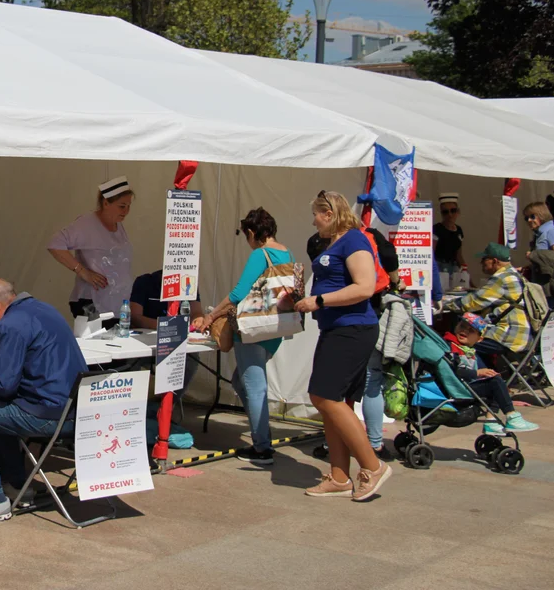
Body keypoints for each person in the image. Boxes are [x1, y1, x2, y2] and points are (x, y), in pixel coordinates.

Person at [0, 279, 88, 525]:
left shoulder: (11, 324)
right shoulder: (46, 309)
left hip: (49, 416)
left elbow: (3, 386)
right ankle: (16, 485)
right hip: (77, 411)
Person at [293, 191, 392, 501]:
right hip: (336, 328)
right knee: (333, 400)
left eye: (317, 214)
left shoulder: (354, 240)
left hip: (353, 329)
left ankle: (373, 467)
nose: (313, 221)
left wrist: (319, 300)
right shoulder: (336, 243)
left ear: (330, 213)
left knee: (323, 396)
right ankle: (338, 476)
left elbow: (364, 286)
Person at [192, 208, 292, 466]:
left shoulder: (261, 254)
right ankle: (263, 436)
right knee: (241, 381)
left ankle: (262, 448)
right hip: (275, 328)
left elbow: (238, 294)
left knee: (254, 387)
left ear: (251, 232)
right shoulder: (285, 252)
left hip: (253, 330)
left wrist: (211, 316)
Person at [48, 176, 134, 319]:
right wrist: (82, 272)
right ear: (106, 203)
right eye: (122, 206)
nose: (126, 211)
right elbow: (55, 244)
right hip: (92, 303)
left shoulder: (118, 225)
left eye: (129, 206)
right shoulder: (86, 224)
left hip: (117, 303)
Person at [442, 243, 531, 366]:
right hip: (523, 336)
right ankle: (487, 370)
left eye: (484, 259)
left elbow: (472, 302)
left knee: (460, 338)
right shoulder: (515, 275)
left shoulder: (502, 278)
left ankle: (480, 377)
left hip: (508, 336)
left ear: (494, 261)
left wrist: (443, 304)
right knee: (471, 332)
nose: (481, 263)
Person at [453, 313, 539, 434]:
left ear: (480, 339)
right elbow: (453, 371)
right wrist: (477, 373)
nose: (464, 331)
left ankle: (491, 420)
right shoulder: (452, 347)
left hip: (465, 385)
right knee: (495, 382)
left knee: (495, 379)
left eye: (471, 330)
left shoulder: (471, 350)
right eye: (462, 326)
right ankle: (512, 416)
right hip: (457, 388)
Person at [129, 269, 205, 398]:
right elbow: (135, 316)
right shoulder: (145, 282)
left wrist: (198, 318)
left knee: (191, 359)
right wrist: (166, 326)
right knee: (130, 359)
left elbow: (196, 311)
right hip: (145, 343)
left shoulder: (188, 283)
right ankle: (134, 405)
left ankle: (164, 406)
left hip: (173, 341)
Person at [524, 201, 554, 309]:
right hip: (543, 289)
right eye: (526, 218)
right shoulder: (539, 235)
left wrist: (534, 255)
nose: (529, 220)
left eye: (532, 216)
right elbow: (545, 261)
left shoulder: (552, 231)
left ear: (542, 215)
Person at [434, 192, 466, 289]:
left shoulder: (459, 230)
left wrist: (466, 272)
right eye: (445, 212)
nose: (450, 215)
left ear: (458, 212)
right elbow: (432, 252)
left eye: (453, 211)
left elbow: (459, 255)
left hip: (454, 269)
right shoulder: (437, 229)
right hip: (440, 269)